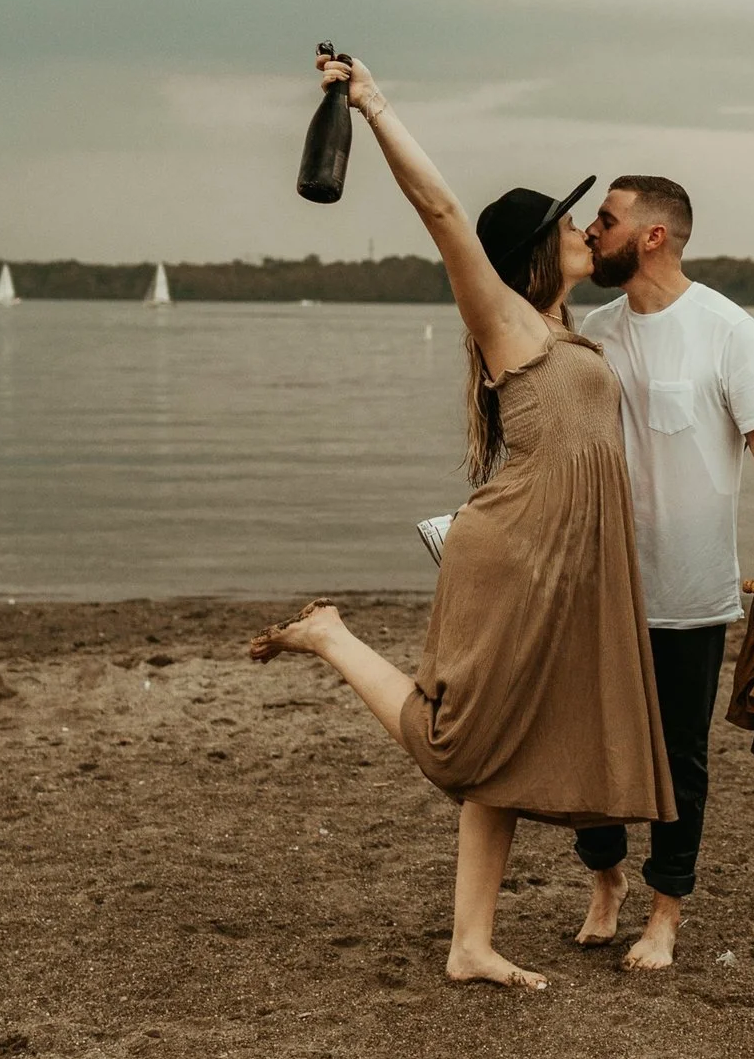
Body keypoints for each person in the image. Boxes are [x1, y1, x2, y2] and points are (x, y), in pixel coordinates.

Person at [247, 52, 674, 992]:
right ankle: (331, 637)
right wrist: (372, 102)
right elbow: (441, 212)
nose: (579, 231)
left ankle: (469, 942)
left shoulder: (569, 332)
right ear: (531, 249)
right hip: (513, 554)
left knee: (504, 752)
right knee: (460, 745)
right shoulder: (508, 323)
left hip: (558, 561)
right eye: (566, 223)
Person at [569, 176, 754, 970]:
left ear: (651, 237)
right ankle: (604, 879)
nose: (591, 230)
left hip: (690, 592)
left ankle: (665, 910)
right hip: (597, 584)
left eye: (606, 219)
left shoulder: (727, 330)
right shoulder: (589, 330)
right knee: (591, 749)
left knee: (679, 756)